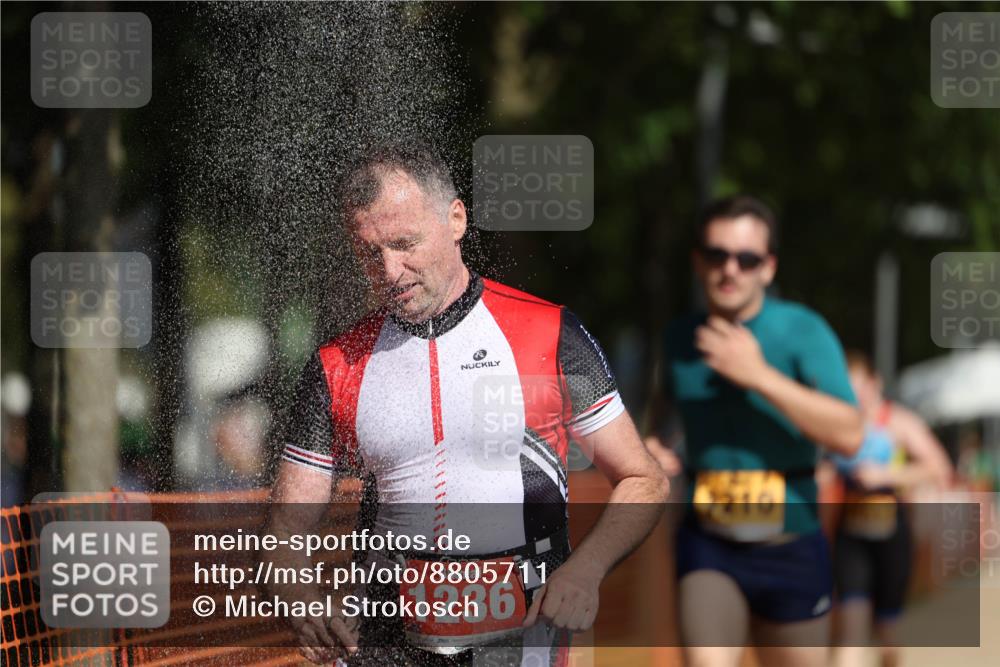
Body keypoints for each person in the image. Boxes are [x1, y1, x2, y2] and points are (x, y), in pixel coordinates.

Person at [265, 142, 668, 666]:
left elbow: (644, 479)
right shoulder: (338, 364)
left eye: (404, 243)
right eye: (369, 253)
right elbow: (286, 526)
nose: (390, 271)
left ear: (456, 219)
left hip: (519, 635)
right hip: (386, 640)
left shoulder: (548, 333)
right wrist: (303, 602)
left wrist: (586, 570)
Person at [644, 195, 864, 667]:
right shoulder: (680, 338)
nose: (730, 270)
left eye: (747, 259)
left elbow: (850, 434)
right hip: (709, 544)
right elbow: (663, 424)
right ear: (698, 261)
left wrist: (759, 375)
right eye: (716, 255)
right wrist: (654, 450)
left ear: (768, 268)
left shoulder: (803, 330)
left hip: (791, 544)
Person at [830, 351, 953, 667]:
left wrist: (886, 475)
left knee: (886, 631)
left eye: (858, 388)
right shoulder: (838, 425)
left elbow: (939, 466)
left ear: (875, 384)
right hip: (850, 536)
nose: (853, 396)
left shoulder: (899, 422)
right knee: (851, 634)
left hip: (892, 536)